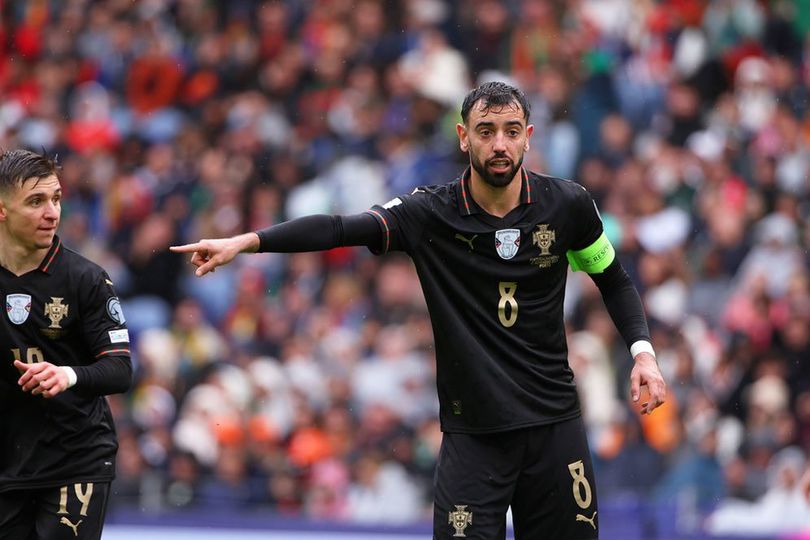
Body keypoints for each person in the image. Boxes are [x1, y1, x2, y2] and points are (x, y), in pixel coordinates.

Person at [172, 81, 666, 539]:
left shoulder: (568, 206)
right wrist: (248, 242)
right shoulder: (429, 213)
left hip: (553, 429)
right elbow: (343, 228)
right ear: (462, 137)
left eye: (511, 132)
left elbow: (614, 280)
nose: (499, 144)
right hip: (474, 439)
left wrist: (643, 352)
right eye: (486, 131)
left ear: (529, 137)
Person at [0, 149, 133, 540]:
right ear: (2, 210)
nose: (52, 213)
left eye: (56, 198)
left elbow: (120, 369)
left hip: (75, 459)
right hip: (8, 460)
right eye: (36, 201)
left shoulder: (86, 279)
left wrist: (68, 375)